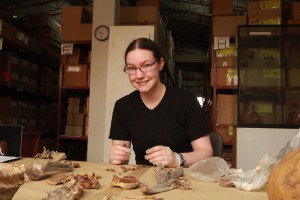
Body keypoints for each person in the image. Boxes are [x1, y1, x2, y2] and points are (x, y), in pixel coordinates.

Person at [108, 37, 212, 168]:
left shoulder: (186, 101)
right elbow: (121, 161)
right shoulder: (123, 106)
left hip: (183, 178)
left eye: (146, 66)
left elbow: (206, 152)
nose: (139, 75)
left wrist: (177, 159)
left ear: (161, 64)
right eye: (131, 68)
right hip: (142, 179)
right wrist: (116, 158)